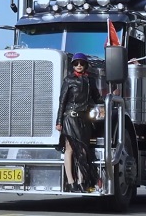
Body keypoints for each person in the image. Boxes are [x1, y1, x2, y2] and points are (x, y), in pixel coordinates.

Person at [56, 53, 102, 193]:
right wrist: (59, 121)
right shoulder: (69, 80)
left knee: (83, 150)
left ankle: (82, 181)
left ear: (86, 64)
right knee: (69, 149)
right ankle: (70, 181)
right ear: (73, 66)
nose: (79, 65)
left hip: (84, 119)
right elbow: (62, 101)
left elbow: (96, 98)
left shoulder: (90, 80)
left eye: (81, 63)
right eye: (76, 63)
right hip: (70, 117)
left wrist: (109, 99)